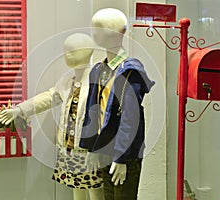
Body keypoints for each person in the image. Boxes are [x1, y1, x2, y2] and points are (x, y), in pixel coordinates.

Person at [0, 33, 104, 200]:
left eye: (71, 50)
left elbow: (105, 117)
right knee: (77, 190)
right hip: (69, 149)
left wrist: (98, 148)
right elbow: (48, 97)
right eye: (66, 50)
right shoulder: (67, 81)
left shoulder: (99, 81)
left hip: (90, 149)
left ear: (86, 51)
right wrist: (20, 110)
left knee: (97, 191)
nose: (66, 54)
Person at [79, 8, 155, 200]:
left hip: (125, 152)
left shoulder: (130, 71)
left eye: (100, 27)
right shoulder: (98, 70)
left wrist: (122, 158)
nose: (94, 32)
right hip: (103, 148)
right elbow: (92, 111)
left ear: (118, 32)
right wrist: (91, 147)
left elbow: (130, 119)